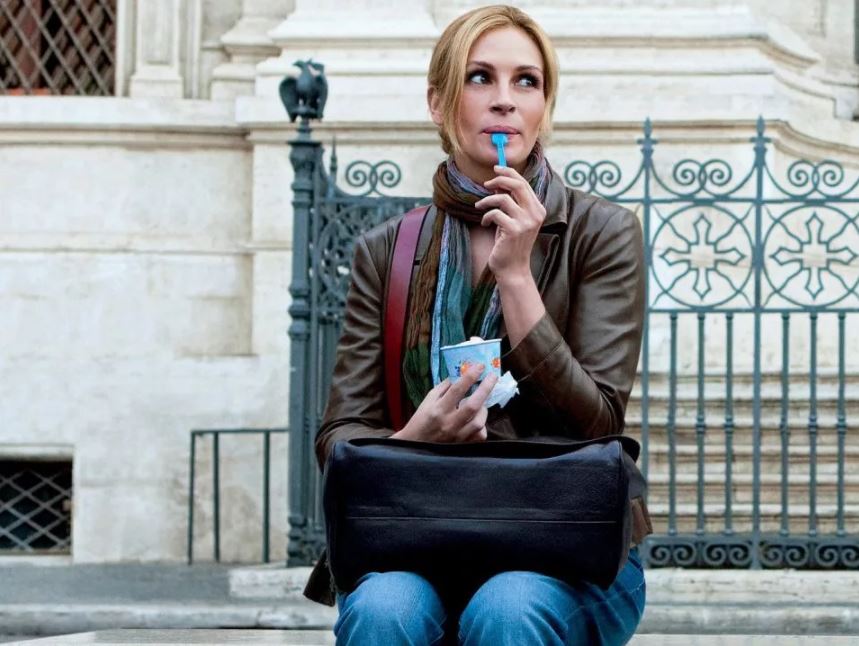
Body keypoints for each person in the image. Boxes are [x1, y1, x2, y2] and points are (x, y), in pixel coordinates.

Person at [302, 5, 653, 645]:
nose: (505, 100)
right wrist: (415, 436)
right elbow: (339, 433)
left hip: (565, 546)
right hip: (420, 535)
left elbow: (600, 422)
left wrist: (516, 277)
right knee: (383, 610)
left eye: (527, 81)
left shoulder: (601, 233)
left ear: (544, 105)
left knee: (509, 607)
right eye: (479, 77)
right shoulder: (386, 250)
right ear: (438, 103)